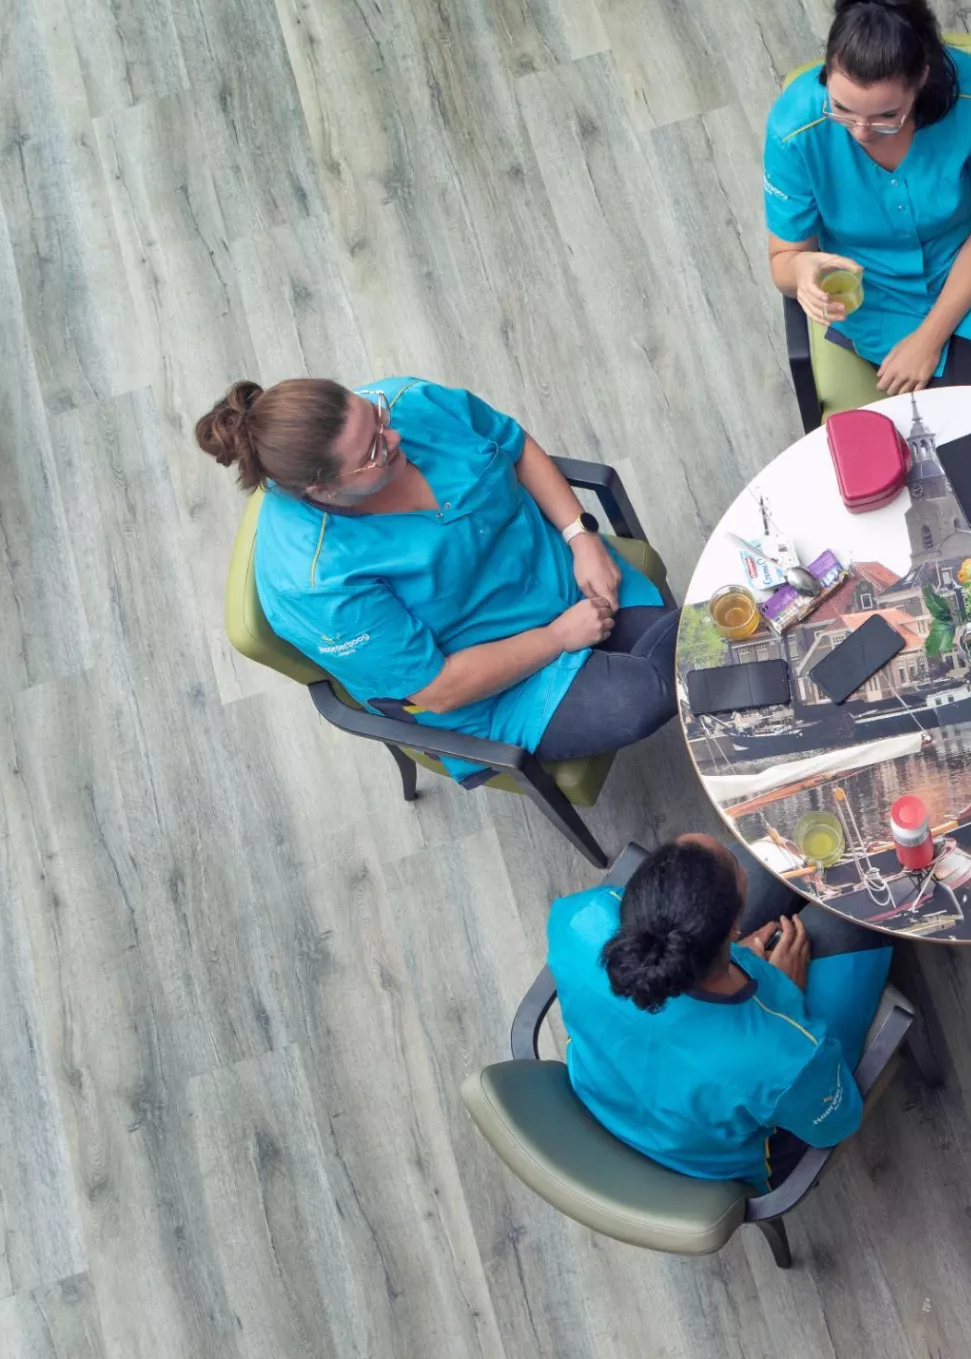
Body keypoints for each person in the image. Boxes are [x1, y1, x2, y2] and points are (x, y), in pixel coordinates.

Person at [196, 376, 680, 784]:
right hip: (497, 688)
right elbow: (438, 689)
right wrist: (557, 637)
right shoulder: (317, 584)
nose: (394, 437)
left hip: (563, 574)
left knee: (690, 656)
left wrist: (581, 536)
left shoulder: (409, 403)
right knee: (653, 689)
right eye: (373, 451)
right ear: (323, 490)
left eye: (377, 415)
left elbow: (513, 445)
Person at [547, 836, 895, 1187]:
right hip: (714, 1163)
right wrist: (783, 991)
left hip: (613, 1092)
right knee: (862, 899)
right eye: (732, 860)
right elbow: (837, 1124)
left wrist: (738, 961)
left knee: (776, 849)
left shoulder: (581, 918)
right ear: (733, 930)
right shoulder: (785, 1055)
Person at [764, 0, 971, 396]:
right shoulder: (794, 130)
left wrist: (928, 339)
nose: (861, 131)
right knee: (928, 433)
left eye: (885, 116)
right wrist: (801, 270)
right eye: (841, 109)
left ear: (921, 80)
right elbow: (784, 258)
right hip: (877, 295)